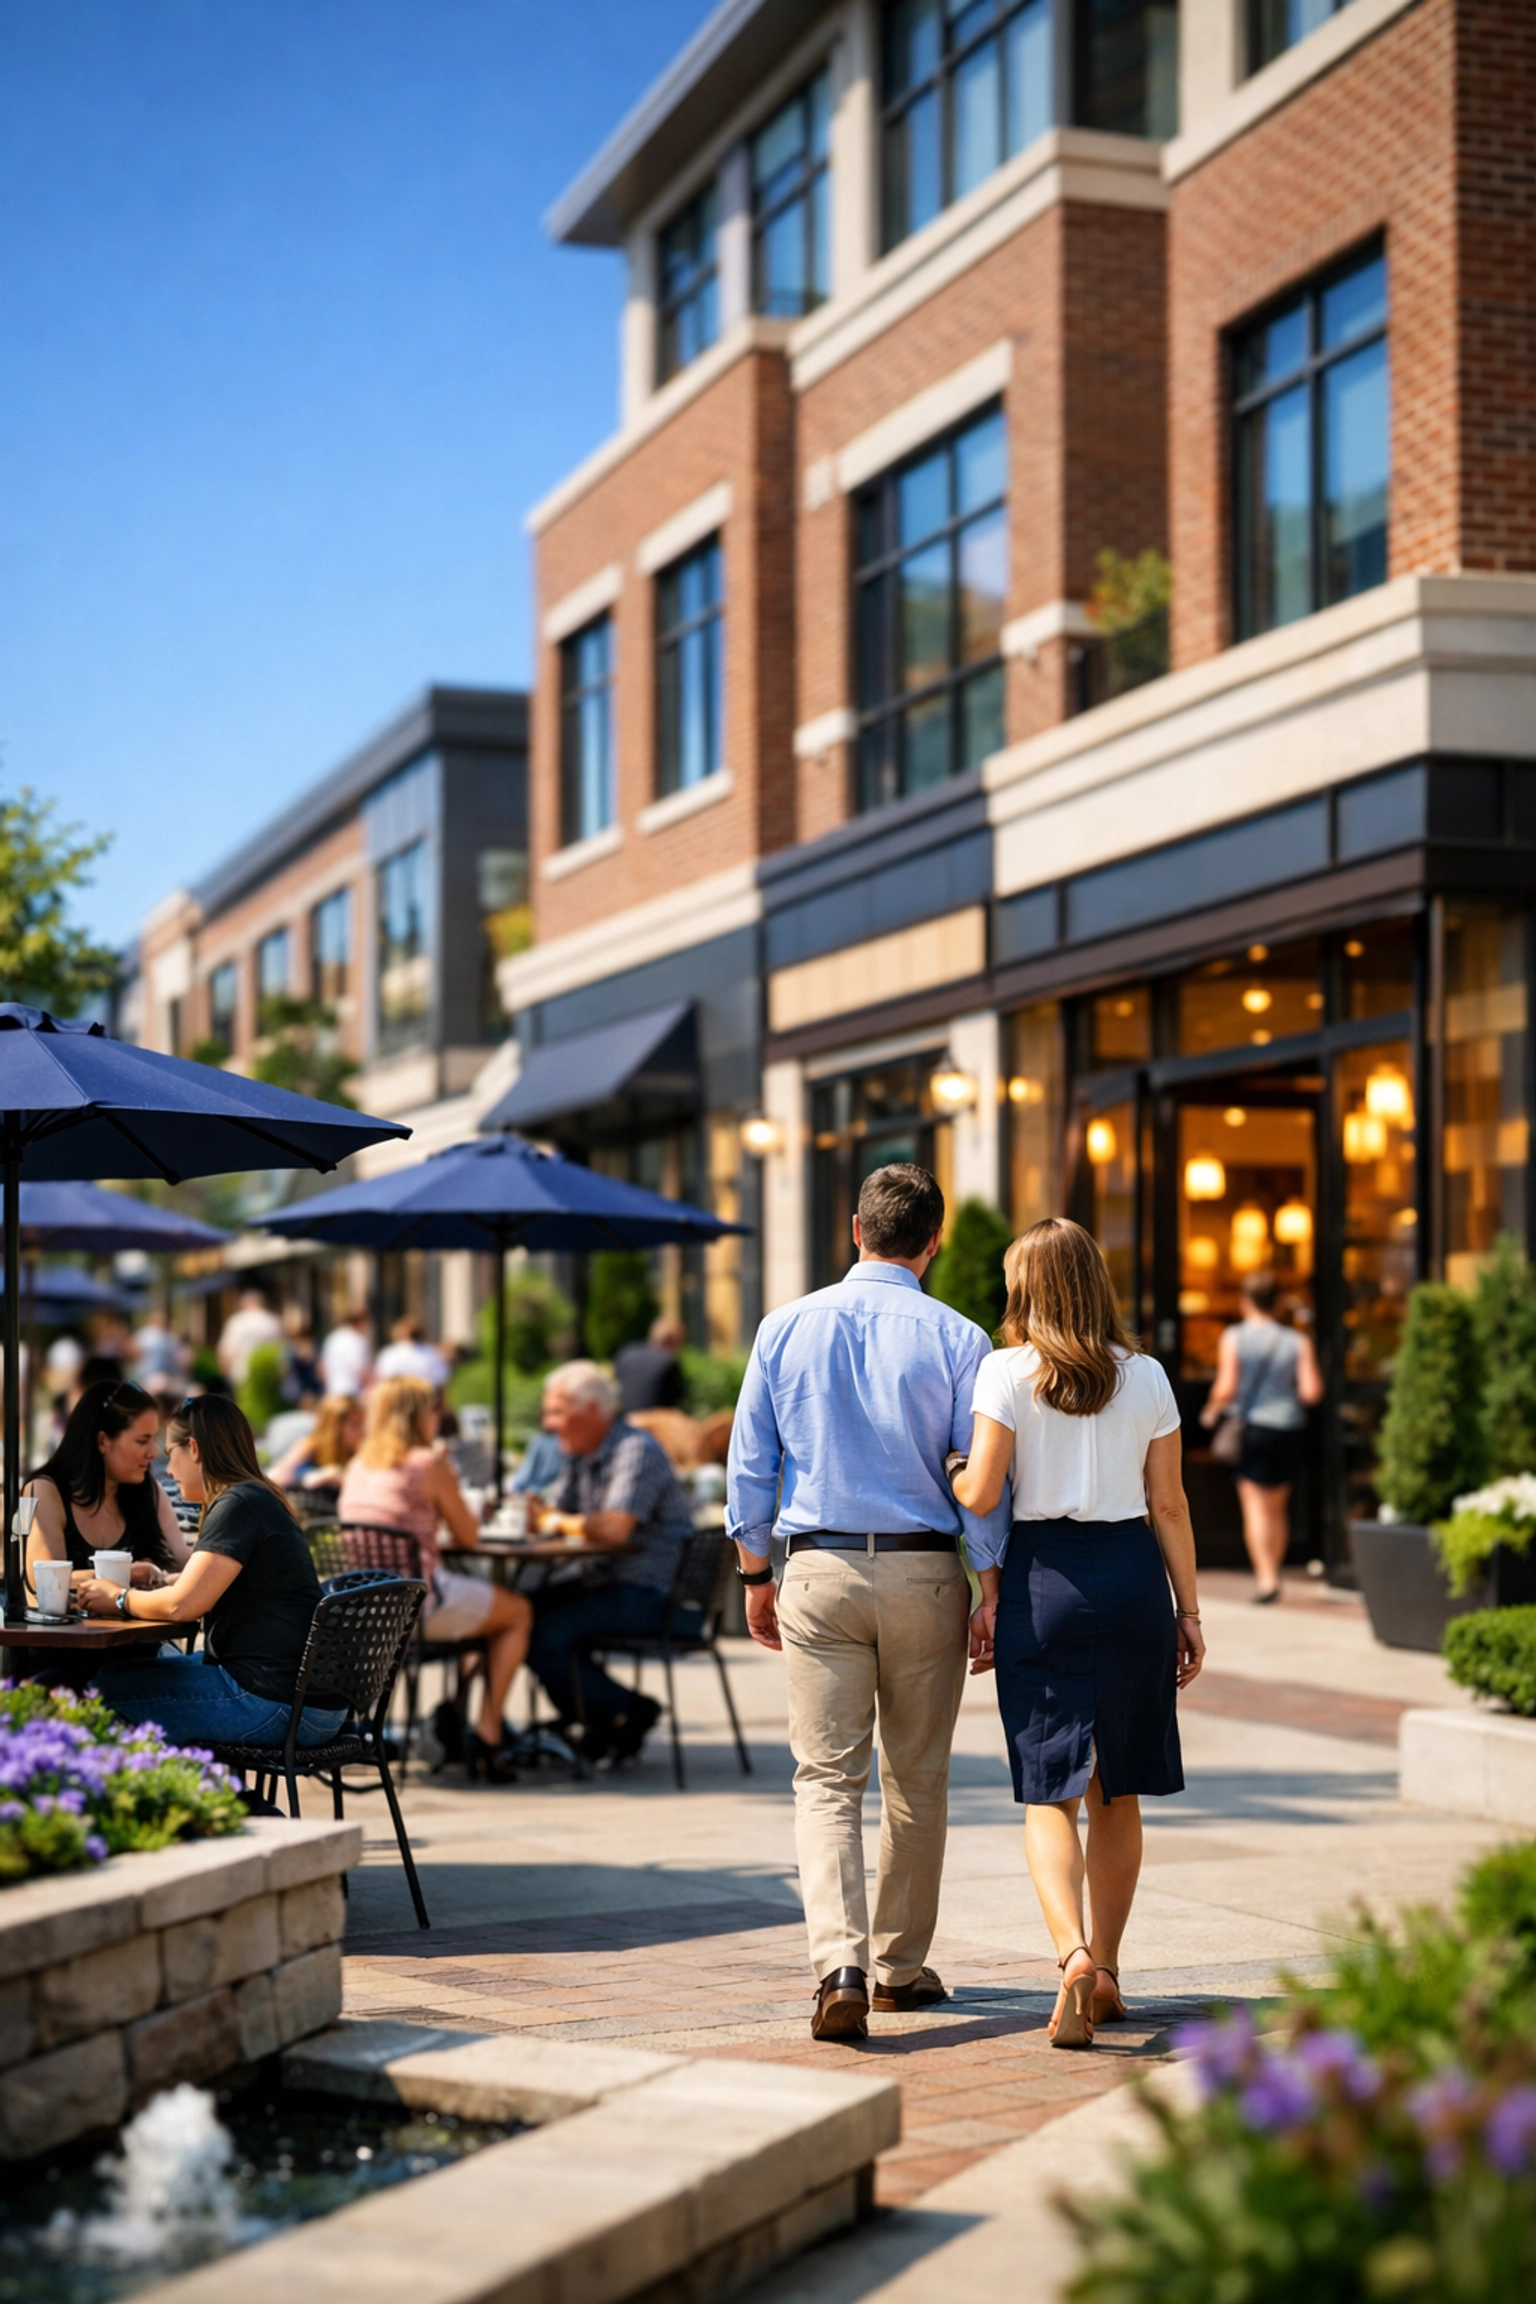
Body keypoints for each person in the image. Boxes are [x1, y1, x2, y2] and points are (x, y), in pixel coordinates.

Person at [726, 1162, 1006, 2044]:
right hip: (927, 1573)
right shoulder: (961, 1339)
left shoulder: (783, 1327)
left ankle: (837, 1966)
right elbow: (982, 1483)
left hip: (818, 1571)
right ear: (932, 1243)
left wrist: (754, 1574)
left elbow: (748, 1466)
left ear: (855, 1230)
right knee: (916, 1779)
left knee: (826, 1781)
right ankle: (897, 1968)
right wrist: (988, 1583)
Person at [953, 1218, 1205, 2052]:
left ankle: (1070, 1953)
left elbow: (983, 1491)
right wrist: (1190, 1610)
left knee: (1049, 1788)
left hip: (1044, 1581)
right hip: (1133, 1576)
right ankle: (1109, 1975)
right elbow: (1169, 1503)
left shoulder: (1005, 1371)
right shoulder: (1149, 1377)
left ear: (1026, 1287)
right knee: (1118, 1788)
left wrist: (957, 1469)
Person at [78, 1395, 346, 1750]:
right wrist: (166, 1580)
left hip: (274, 1704)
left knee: (96, 1695)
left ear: (193, 1448)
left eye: (170, 1453)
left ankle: (187, 1801)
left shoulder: (237, 1504)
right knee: (115, 1676)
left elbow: (181, 1607)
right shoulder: (258, 1497)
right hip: (312, 1704)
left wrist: (118, 1597)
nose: (167, 1470)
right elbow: (211, 1585)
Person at [339, 1376, 531, 1779]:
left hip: (364, 1613)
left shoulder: (358, 1464)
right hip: (418, 1608)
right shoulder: (428, 1463)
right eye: (432, 1409)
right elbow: (469, 1535)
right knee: (517, 1613)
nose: (438, 1416)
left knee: (482, 1616)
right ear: (419, 1415)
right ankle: (489, 1731)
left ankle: (458, 1717)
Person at [525, 1362, 698, 1765]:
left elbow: (615, 1529)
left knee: (544, 1634)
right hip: (605, 1581)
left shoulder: (635, 1449)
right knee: (519, 1614)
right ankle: (596, 1717)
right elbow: (560, 1517)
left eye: (556, 1412)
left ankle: (627, 1712)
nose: (549, 1424)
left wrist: (552, 1520)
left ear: (592, 1410)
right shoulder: (580, 1453)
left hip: (658, 1595)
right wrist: (541, 1516)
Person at [1199, 1271, 1324, 1604]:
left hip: (1252, 1427)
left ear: (1244, 1300)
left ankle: (1266, 1578)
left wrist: (1212, 1409)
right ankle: (1276, 1570)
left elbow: (1226, 1387)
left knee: (1255, 1505)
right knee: (1278, 1506)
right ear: (1279, 1302)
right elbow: (1312, 1391)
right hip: (1288, 1427)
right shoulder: (1297, 1341)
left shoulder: (1234, 1337)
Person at [25, 1379, 190, 1589]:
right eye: (142, 1441)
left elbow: (185, 1562)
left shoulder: (146, 1489)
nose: (154, 1452)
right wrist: (123, 1574)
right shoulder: (47, 1491)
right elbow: (45, 1579)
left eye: (155, 1439)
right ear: (102, 1441)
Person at [269, 1394, 365, 1490]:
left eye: (364, 1424)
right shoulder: (310, 1446)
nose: (363, 1431)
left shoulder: (362, 1452)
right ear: (334, 1430)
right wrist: (320, 1475)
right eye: (355, 1425)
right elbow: (276, 1476)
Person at [614, 1317, 686, 1414]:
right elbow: (676, 1398)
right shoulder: (668, 1362)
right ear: (673, 1342)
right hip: (651, 1424)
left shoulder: (626, 1353)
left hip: (621, 1421)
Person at [218, 1288, 284, 1388]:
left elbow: (226, 1352)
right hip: (268, 1377)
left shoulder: (236, 1322)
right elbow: (282, 1352)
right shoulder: (273, 1321)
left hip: (241, 1376)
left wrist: (226, 1377)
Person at [373, 1315, 450, 1391]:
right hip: (425, 1396)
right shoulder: (432, 1352)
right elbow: (441, 1380)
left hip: (396, 1396)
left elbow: (382, 1378)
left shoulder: (389, 1353)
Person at [320, 1306, 373, 1399]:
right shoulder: (358, 1340)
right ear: (361, 1322)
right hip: (352, 1393)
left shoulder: (333, 1337)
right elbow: (359, 1370)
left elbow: (322, 1368)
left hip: (332, 1390)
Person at [130, 1309, 185, 1390]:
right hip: (148, 1376)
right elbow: (132, 1352)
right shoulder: (144, 1334)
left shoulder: (170, 1336)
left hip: (169, 1376)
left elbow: (179, 1357)